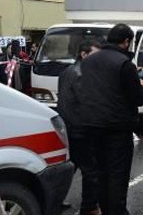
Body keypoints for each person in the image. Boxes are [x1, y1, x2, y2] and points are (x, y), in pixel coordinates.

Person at [79, 24, 143, 215]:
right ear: (126, 42)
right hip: (117, 129)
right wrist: (142, 85)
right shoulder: (124, 64)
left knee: (100, 174)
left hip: (91, 127)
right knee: (117, 177)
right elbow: (138, 98)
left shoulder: (88, 62)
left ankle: (106, 208)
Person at [57, 39, 102, 215]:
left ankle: (56, 199)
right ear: (83, 54)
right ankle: (90, 206)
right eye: (95, 55)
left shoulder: (66, 71)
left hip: (67, 126)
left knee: (71, 165)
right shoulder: (82, 75)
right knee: (91, 170)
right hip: (82, 128)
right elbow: (89, 103)